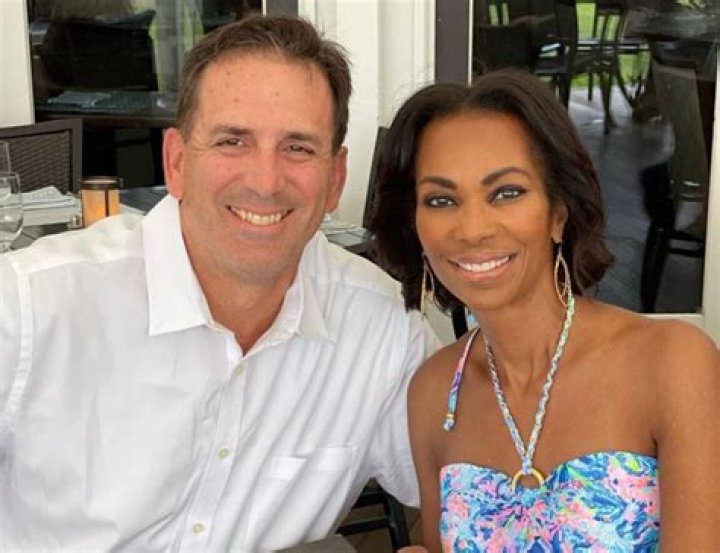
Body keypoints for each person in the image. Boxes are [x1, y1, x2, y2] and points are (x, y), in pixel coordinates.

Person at [0, 15, 439, 550]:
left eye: (298, 148)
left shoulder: (380, 328)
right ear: (177, 161)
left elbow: (483, 486)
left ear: (335, 179)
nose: (265, 181)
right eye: (233, 141)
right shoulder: (29, 307)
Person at [369, 70, 719, 551]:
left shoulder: (673, 363)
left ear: (559, 213)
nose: (472, 229)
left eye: (506, 192)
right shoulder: (433, 394)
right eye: (441, 200)